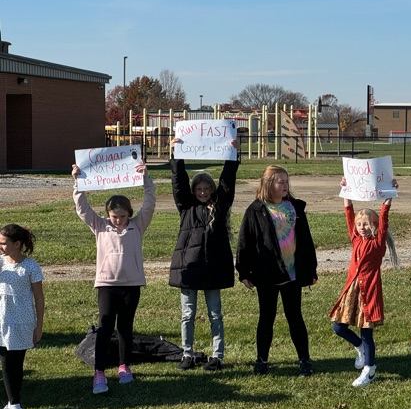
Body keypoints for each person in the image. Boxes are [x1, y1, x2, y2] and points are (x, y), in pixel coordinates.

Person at [72, 161, 156, 394]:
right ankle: (99, 372)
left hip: (131, 285)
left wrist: (146, 178)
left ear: (129, 213)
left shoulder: (137, 226)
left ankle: (124, 366)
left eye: (122, 216)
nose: (117, 220)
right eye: (113, 216)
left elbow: (149, 204)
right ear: (107, 214)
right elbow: (83, 209)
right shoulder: (100, 227)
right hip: (107, 285)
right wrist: (78, 181)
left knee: (125, 327)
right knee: (105, 325)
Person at [235, 165, 318, 377]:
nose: (285, 185)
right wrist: (243, 272)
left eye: (286, 181)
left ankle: (304, 360)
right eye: (281, 181)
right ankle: (261, 360)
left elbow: (306, 241)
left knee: (295, 317)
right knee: (266, 317)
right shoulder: (256, 210)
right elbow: (245, 242)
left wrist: (310, 269)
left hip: (292, 274)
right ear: (269, 184)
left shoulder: (295, 208)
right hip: (267, 274)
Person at [169, 137, 240, 372]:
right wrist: (176, 155)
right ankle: (187, 354)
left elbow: (227, 183)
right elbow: (178, 184)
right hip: (188, 268)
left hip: (214, 267)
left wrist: (232, 155)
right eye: (199, 189)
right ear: (194, 191)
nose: (203, 192)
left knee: (215, 314)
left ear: (212, 190)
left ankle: (217, 356)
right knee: (187, 314)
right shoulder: (186, 207)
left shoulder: (220, 207)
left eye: (207, 188)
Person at [329, 177, 399, 388]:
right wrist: (345, 191)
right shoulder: (355, 239)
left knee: (366, 331)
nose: (362, 227)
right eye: (360, 225)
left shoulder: (377, 244)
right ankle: (359, 348)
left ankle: (370, 369)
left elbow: (385, 217)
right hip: (352, 290)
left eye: (366, 224)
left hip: (368, 292)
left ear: (375, 226)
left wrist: (389, 195)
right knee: (338, 327)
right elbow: (349, 215)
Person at [0, 224, 44, 409]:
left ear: (17, 244)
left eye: (3, 243)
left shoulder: (30, 267)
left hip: (20, 322)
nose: (0, 246)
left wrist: (39, 326)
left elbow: (39, 298)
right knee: (5, 363)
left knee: (12, 364)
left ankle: (16, 407)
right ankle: (12, 403)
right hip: (2, 320)